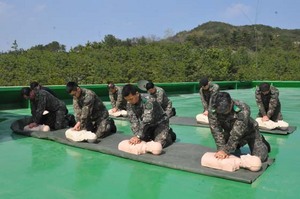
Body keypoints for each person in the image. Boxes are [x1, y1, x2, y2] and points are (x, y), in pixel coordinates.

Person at [208, 92, 270, 162]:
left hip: (250, 133)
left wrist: (225, 150)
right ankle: (236, 145)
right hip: (229, 133)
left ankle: (261, 140)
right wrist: (221, 148)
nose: (223, 114)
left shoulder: (243, 108)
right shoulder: (213, 108)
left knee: (260, 158)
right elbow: (215, 129)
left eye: (225, 111)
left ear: (231, 103)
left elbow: (237, 132)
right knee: (223, 153)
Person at [121, 84, 176, 148]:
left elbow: (147, 119)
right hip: (148, 126)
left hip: (160, 123)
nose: (129, 101)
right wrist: (137, 136)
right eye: (127, 100)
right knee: (143, 142)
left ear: (137, 94)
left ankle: (169, 134)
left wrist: (139, 136)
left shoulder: (149, 100)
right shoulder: (129, 104)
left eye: (131, 99)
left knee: (158, 145)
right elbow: (133, 121)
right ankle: (153, 135)